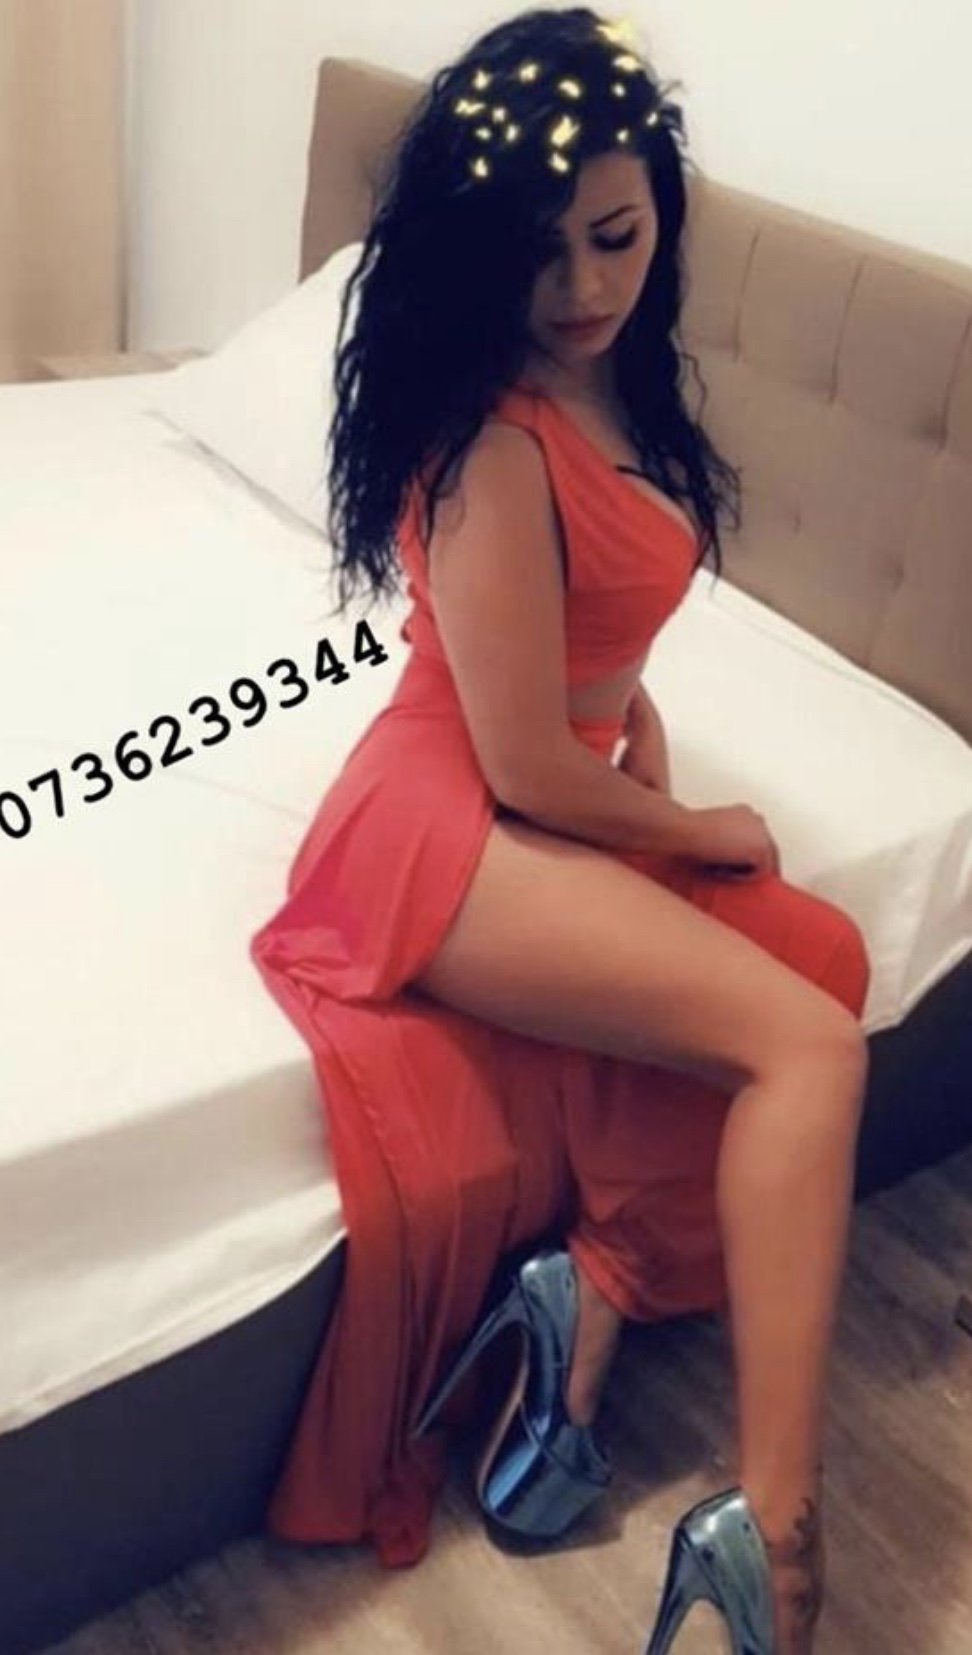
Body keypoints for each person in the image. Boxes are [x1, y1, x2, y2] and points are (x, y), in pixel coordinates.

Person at [249, 9, 872, 1652]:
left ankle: (588, 1295)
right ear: (479, 254)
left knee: (820, 953)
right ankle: (777, 1540)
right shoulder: (493, 439)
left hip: (539, 780)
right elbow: (519, 760)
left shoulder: (620, 389)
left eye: (616, 235)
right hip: (442, 816)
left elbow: (583, 650)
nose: (584, 285)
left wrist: (637, 731)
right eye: (540, 251)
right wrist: (687, 820)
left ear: (661, 215)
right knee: (809, 1048)